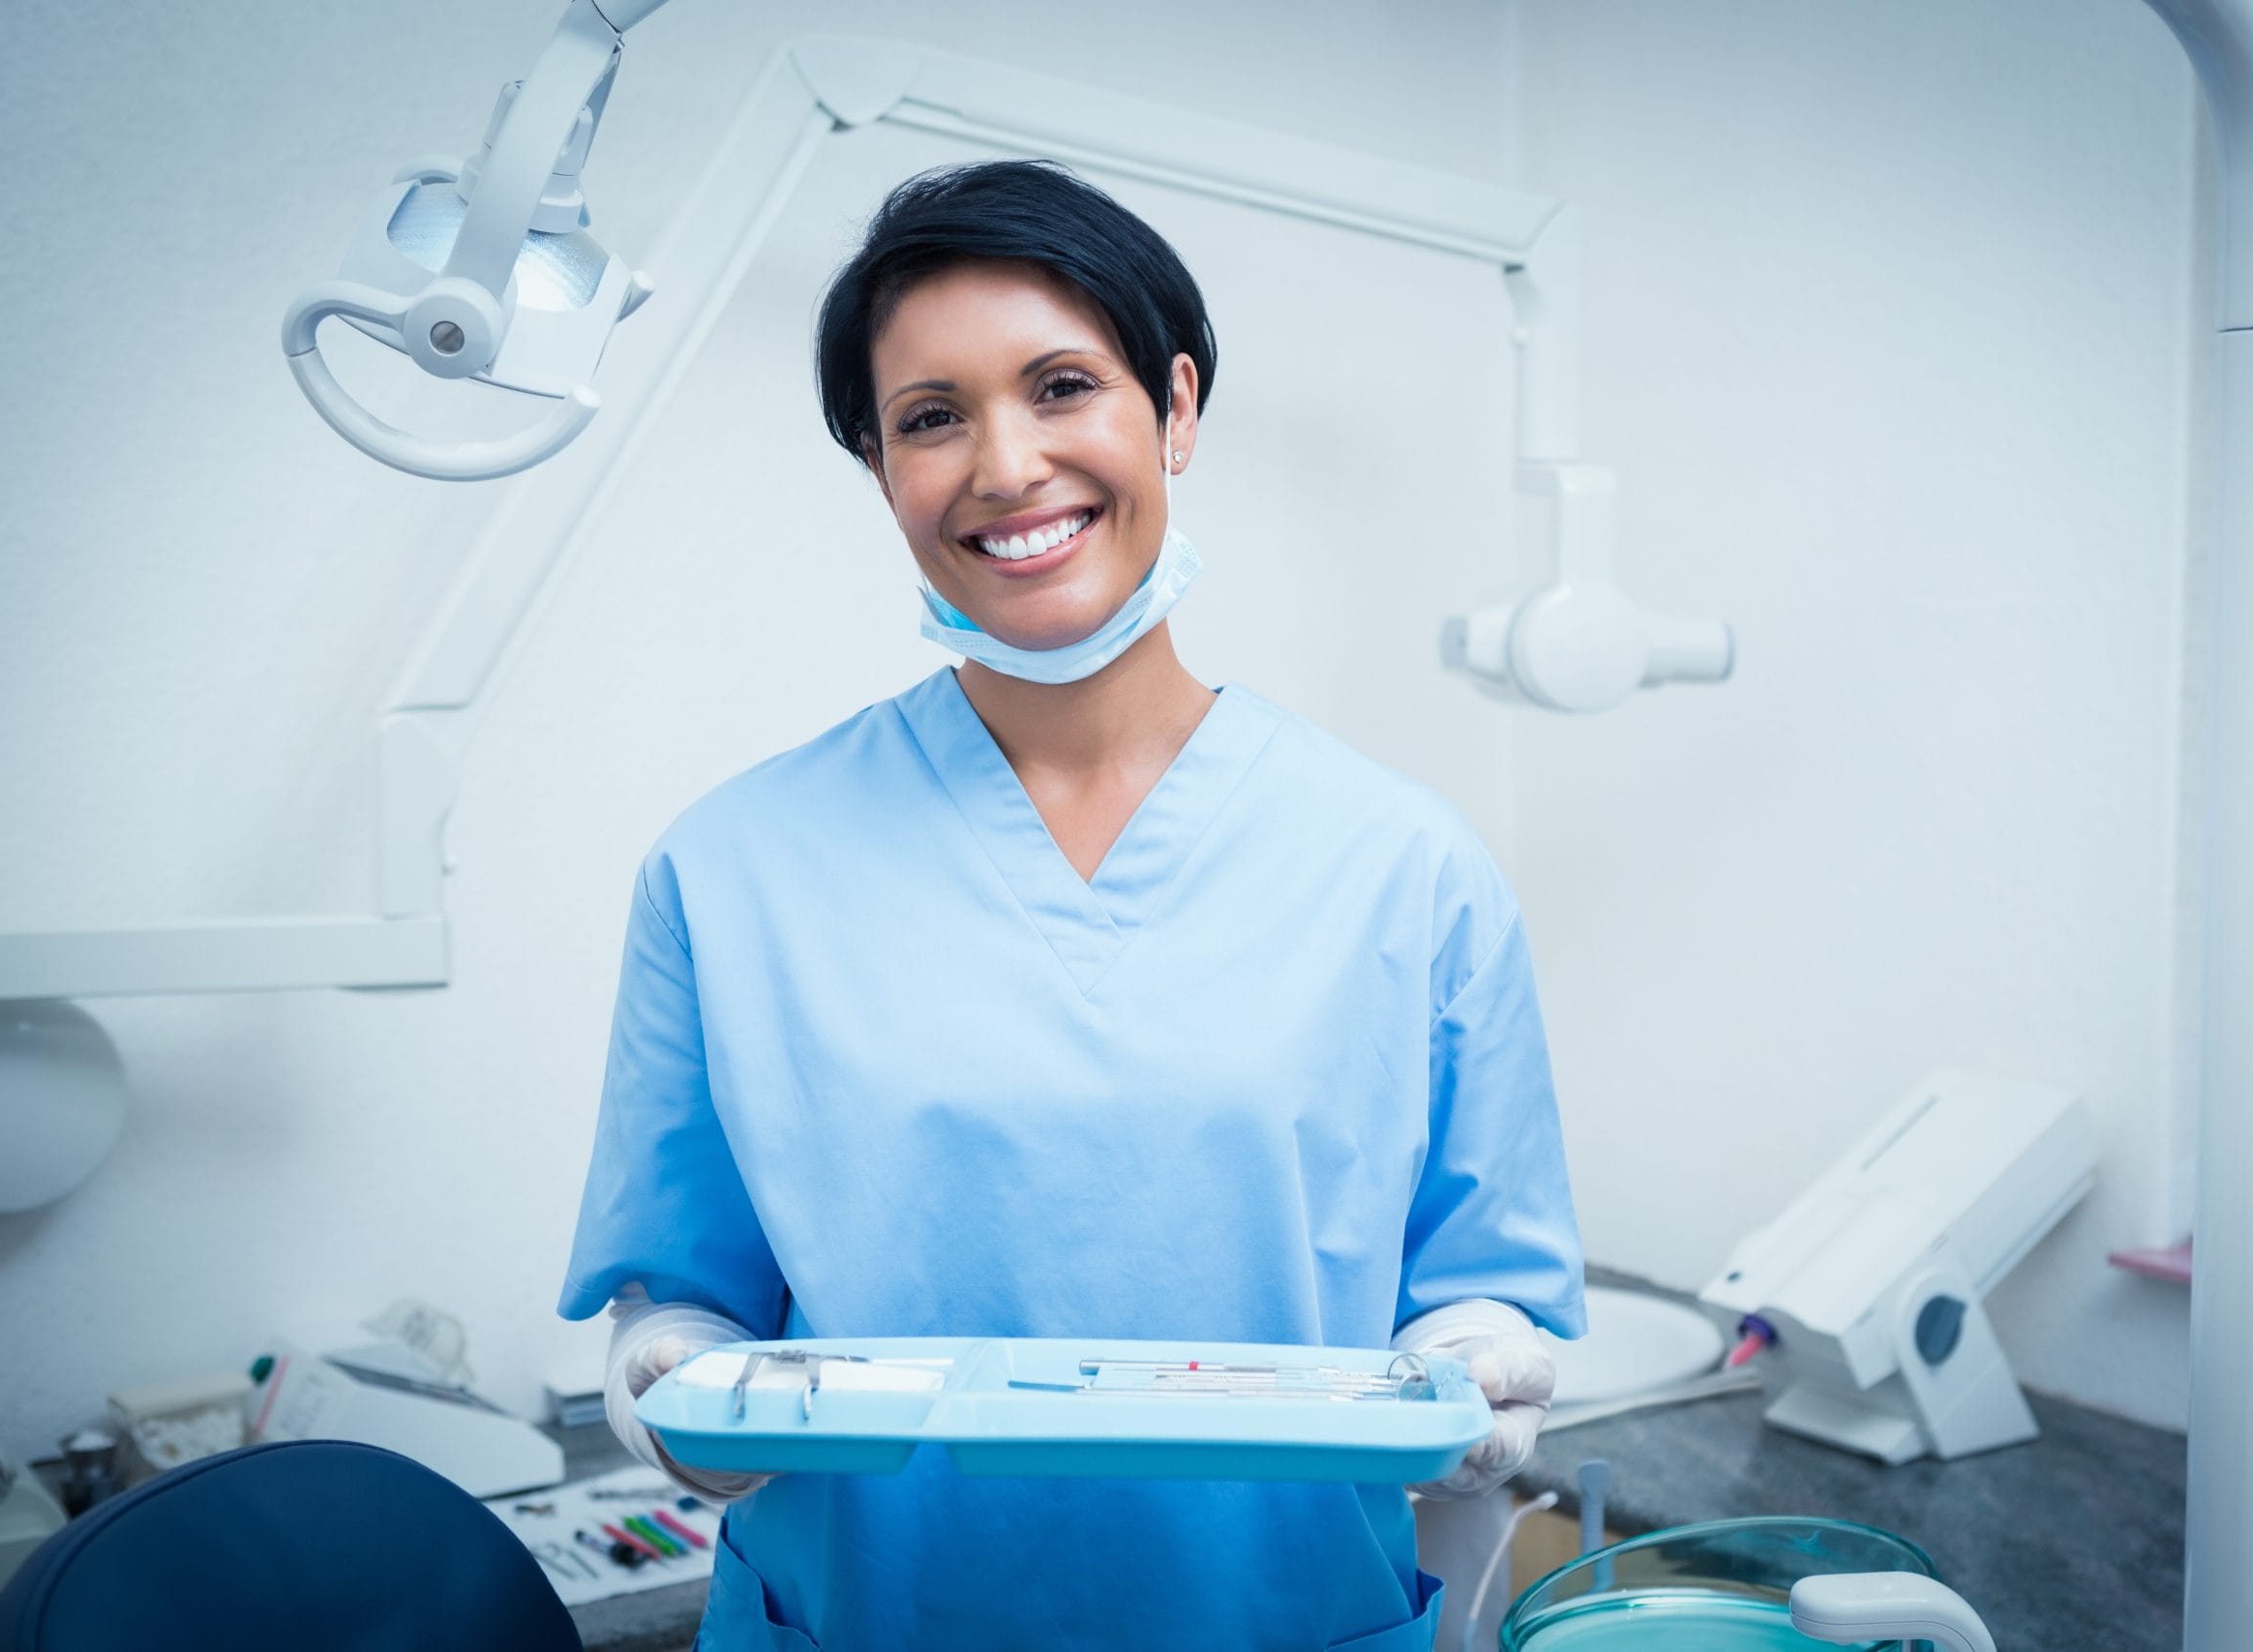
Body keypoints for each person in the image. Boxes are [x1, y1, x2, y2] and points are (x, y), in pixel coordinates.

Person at [557, 158, 1586, 1652]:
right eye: (929, 418)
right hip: (865, 1620)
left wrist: (1475, 1365)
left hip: (1275, 1619)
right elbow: (687, 1296)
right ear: (879, 468)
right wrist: (671, 1378)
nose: (1004, 465)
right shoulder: (730, 869)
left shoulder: (1404, 866)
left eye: (1060, 386)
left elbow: (1478, 1286)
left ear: (1172, 408)